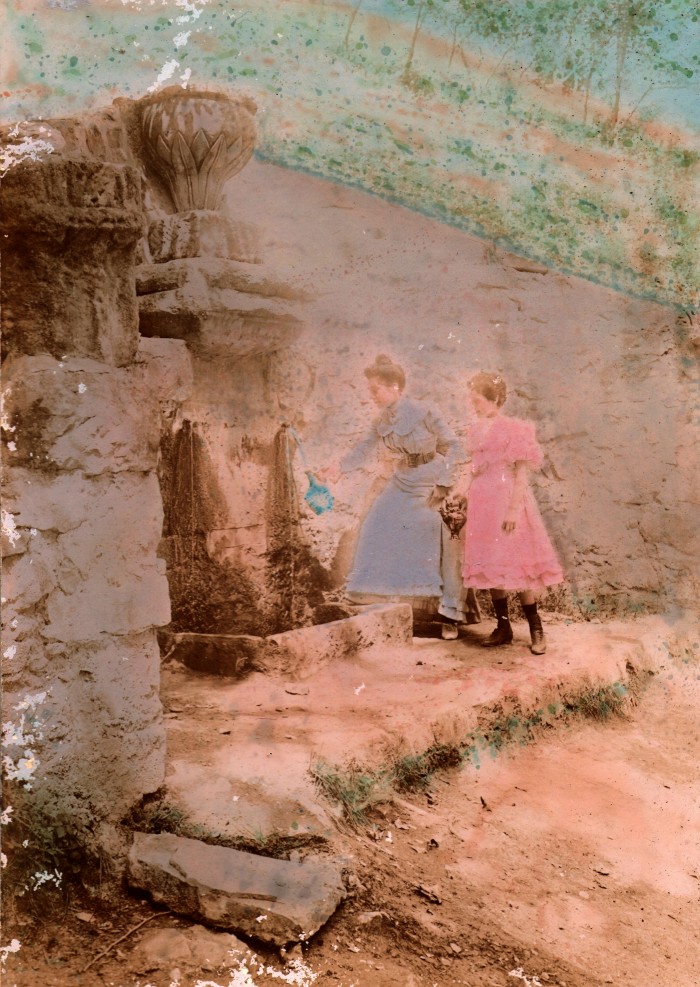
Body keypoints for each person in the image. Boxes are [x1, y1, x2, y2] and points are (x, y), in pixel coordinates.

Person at [325, 354, 479, 634]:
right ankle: (370, 601)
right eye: (370, 390)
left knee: (441, 533)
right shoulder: (381, 420)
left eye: (376, 390)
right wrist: (337, 468)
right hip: (402, 479)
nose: (372, 396)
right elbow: (363, 448)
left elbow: (454, 447)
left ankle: (450, 615)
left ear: (395, 386)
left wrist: (444, 484)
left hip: (431, 481)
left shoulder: (424, 411)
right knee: (375, 523)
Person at [458, 371, 564, 654]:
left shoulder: (516, 429)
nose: (474, 404)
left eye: (477, 399)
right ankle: (503, 626)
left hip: (507, 502)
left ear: (493, 399)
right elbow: (473, 469)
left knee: (518, 562)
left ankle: (535, 626)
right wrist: (459, 495)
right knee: (492, 563)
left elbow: (520, 475)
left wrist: (513, 511)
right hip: (483, 504)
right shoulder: (475, 429)